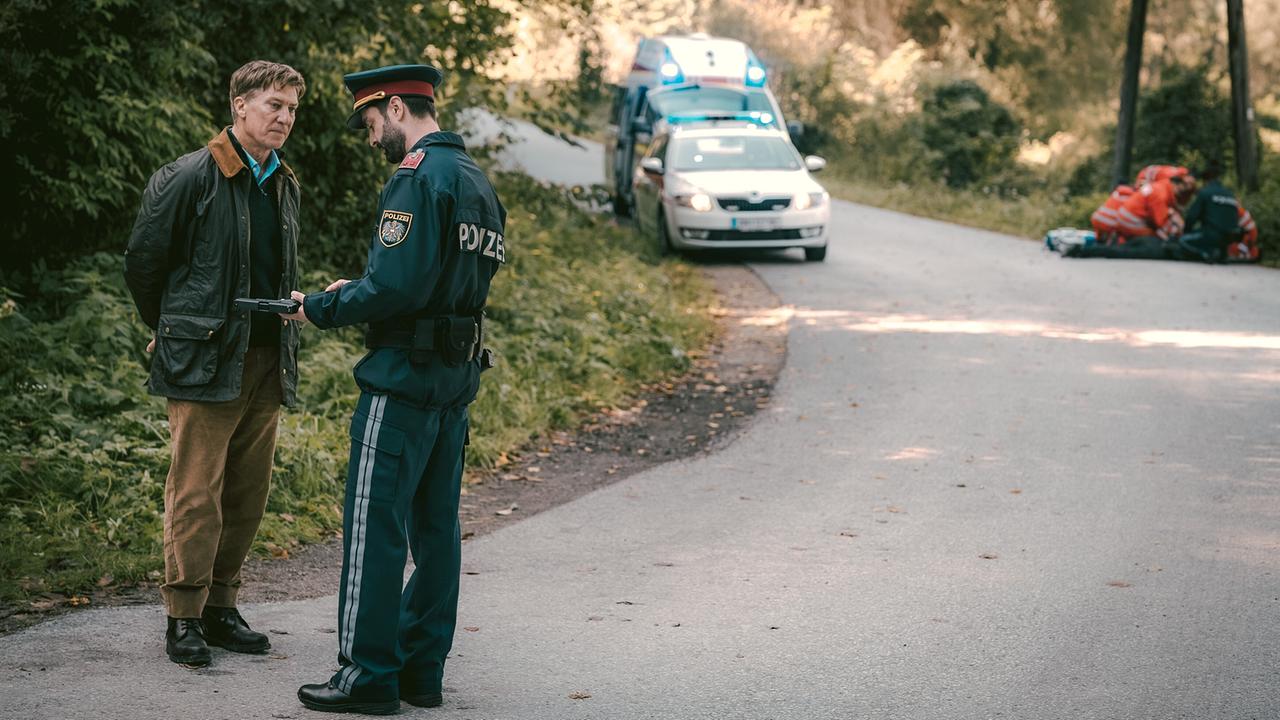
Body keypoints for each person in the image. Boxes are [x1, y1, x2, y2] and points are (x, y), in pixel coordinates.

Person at [287, 64, 505, 714]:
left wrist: (324, 308)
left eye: (371, 121)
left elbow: (397, 287)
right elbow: (435, 281)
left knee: (372, 526)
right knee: (436, 531)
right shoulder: (477, 182)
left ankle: (368, 675)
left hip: (403, 381)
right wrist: (361, 288)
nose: (369, 135)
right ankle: (420, 671)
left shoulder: (415, 178)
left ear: (395, 108)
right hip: (454, 380)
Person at [123, 60, 305, 667]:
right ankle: (183, 617)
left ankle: (222, 607)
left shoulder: (285, 182)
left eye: (291, 109)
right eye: (274, 105)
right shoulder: (191, 175)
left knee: (247, 494)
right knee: (196, 493)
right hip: (205, 361)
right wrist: (171, 332)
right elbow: (144, 265)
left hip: (264, 358)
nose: (284, 118)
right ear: (240, 107)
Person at [1180, 161, 1259, 263]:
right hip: (1229, 239)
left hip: (1211, 235)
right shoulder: (1230, 194)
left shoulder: (1205, 193)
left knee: (1182, 241)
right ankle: (1221, 254)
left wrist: (1186, 231)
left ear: (1205, 180)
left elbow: (1191, 217)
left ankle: (1205, 254)